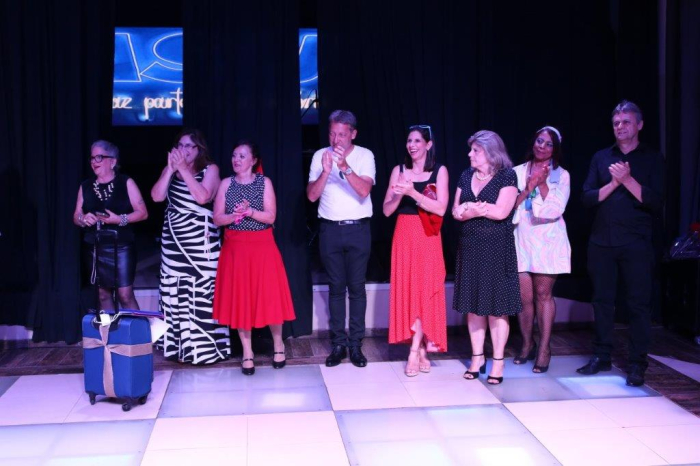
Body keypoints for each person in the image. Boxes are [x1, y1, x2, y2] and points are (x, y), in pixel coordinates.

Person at [578, 100, 665, 387]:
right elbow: (587, 197)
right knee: (602, 301)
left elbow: (655, 201)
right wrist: (614, 183)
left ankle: (637, 363)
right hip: (601, 241)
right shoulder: (602, 157)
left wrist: (627, 180)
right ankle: (601, 356)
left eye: (626, 122)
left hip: (636, 242)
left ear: (639, 125)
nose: (620, 127)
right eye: (616, 123)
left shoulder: (652, 158)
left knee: (638, 305)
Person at [212, 141, 295, 375]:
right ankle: (247, 352)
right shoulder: (226, 184)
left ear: (253, 160)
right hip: (235, 248)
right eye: (234, 155)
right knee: (241, 299)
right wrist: (234, 216)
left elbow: (271, 217)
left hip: (262, 246)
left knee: (270, 296)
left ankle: (278, 346)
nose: (236, 160)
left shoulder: (263, 182)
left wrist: (249, 212)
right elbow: (217, 218)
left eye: (242, 156)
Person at [151, 128, 230, 365]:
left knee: (201, 294)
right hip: (174, 243)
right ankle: (180, 349)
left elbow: (203, 197)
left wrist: (184, 170)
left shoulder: (211, 169)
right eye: (180, 145)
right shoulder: (171, 169)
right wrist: (170, 170)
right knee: (174, 292)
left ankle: (206, 350)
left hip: (200, 243)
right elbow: (156, 197)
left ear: (199, 149)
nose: (183, 150)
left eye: (189, 146)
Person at [307, 110, 376, 368]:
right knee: (336, 288)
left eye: (342, 134)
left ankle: (355, 345)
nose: (336, 140)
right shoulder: (319, 156)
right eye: (332, 134)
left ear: (353, 134)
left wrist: (344, 167)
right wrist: (326, 172)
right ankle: (338, 345)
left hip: (358, 229)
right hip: (330, 230)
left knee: (356, 287)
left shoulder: (365, 155)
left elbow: (364, 190)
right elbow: (311, 196)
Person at [452, 130, 520, 384]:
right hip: (470, 247)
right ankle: (477, 357)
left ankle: (498, 361)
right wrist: (474, 209)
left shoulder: (506, 175)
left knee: (496, 307)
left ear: (491, 153)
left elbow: (502, 212)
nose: (470, 154)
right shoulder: (466, 175)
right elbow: (456, 211)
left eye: (475, 150)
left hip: (496, 248)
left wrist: (471, 208)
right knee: (474, 305)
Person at [383, 125, 449, 376]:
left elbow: (441, 208)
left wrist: (412, 192)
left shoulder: (439, 171)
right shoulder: (399, 171)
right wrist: (400, 193)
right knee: (410, 291)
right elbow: (386, 211)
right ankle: (419, 349)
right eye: (409, 140)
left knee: (425, 290)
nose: (411, 145)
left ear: (428, 144)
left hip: (428, 235)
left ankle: (414, 350)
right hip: (404, 233)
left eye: (417, 141)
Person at [512, 126, 571, 373]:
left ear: (555, 149)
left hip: (548, 240)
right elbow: (510, 205)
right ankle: (528, 343)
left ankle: (545, 348)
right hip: (522, 237)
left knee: (543, 294)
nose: (542, 147)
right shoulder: (517, 171)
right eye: (539, 141)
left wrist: (543, 184)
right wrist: (529, 186)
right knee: (524, 297)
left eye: (549, 144)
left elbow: (556, 209)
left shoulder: (561, 175)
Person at [73, 140, 148, 310]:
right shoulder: (85, 186)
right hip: (95, 247)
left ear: (112, 161)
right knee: (102, 294)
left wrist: (120, 219)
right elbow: (76, 216)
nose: (94, 162)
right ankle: (111, 327)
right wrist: (83, 219)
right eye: (92, 158)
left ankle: (137, 328)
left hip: (121, 247)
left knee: (125, 295)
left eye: (99, 157)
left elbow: (143, 213)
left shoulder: (126, 182)